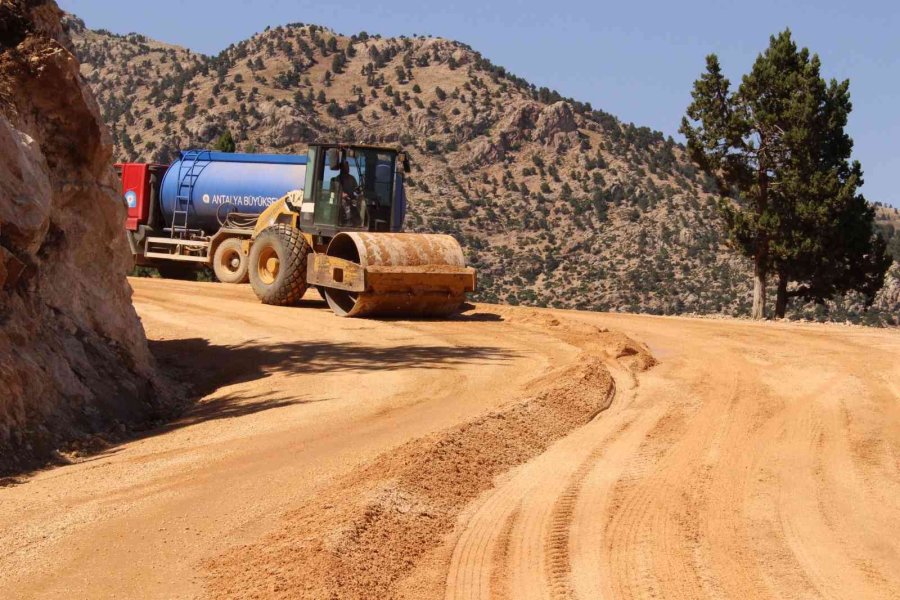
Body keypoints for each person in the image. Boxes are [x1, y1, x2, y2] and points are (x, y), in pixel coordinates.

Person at [332, 161, 359, 225]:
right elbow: (336, 191)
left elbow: (356, 189)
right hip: (341, 199)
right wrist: (342, 194)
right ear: (342, 169)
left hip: (352, 198)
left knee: (360, 204)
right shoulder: (338, 179)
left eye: (348, 167)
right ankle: (348, 221)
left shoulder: (352, 178)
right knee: (345, 203)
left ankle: (357, 222)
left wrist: (358, 192)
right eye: (346, 167)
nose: (348, 168)